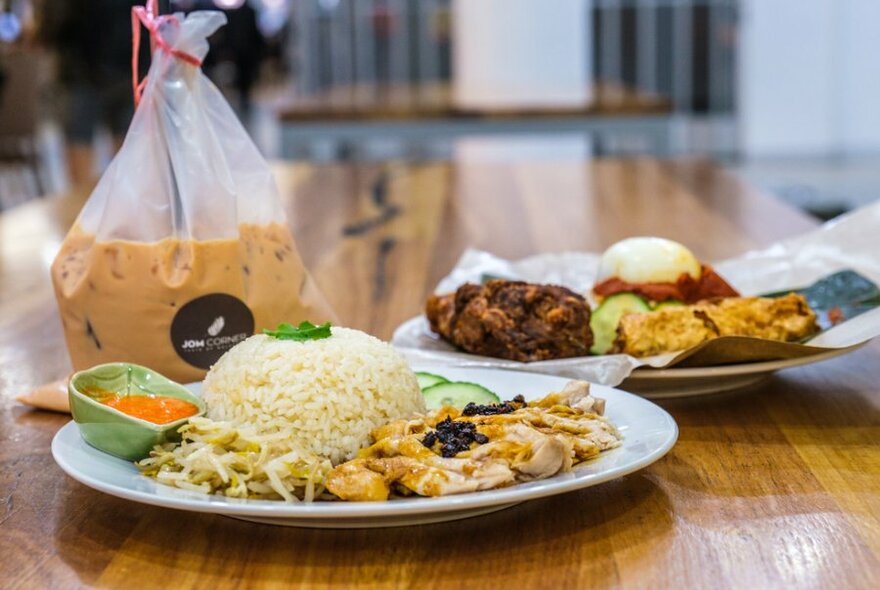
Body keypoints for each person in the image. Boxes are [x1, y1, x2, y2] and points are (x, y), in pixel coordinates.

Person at [40, 0, 150, 187]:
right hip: (118, 65)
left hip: (91, 67)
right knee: (120, 144)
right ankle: (108, 205)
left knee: (85, 139)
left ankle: (88, 207)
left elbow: (55, 22)